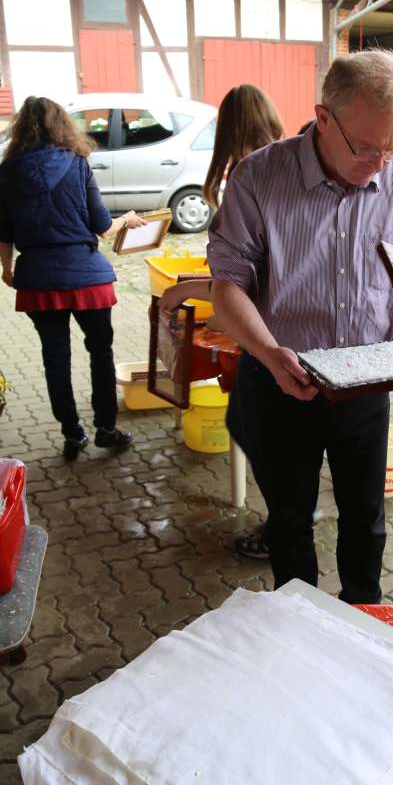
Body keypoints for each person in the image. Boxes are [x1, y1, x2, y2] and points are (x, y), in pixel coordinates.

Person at [206, 49, 393, 603]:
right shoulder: (259, 177)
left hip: (365, 382)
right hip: (280, 380)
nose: (382, 162)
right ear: (322, 117)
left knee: (367, 520)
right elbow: (227, 286)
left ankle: (364, 614)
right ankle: (298, 629)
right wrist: (267, 353)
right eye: (367, 146)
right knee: (290, 523)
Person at [160, 83, 285, 560]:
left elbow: (243, 282)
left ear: (228, 128)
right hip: (284, 330)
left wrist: (185, 289)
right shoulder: (285, 162)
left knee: (252, 425)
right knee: (263, 429)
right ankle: (290, 512)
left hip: (266, 331)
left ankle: (283, 524)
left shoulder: (249, 175)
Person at [0, 95, 146, 460]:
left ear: (21, 130)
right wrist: (127, 219)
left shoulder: (10, 171)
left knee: (55, 357)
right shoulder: (78, 163)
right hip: (86, 276)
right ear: (61, 125)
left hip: (38, 279)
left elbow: (3, 232)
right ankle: (106, 430)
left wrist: (7, 269)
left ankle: (72, 433)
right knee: (101, 351)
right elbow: (103, 226)